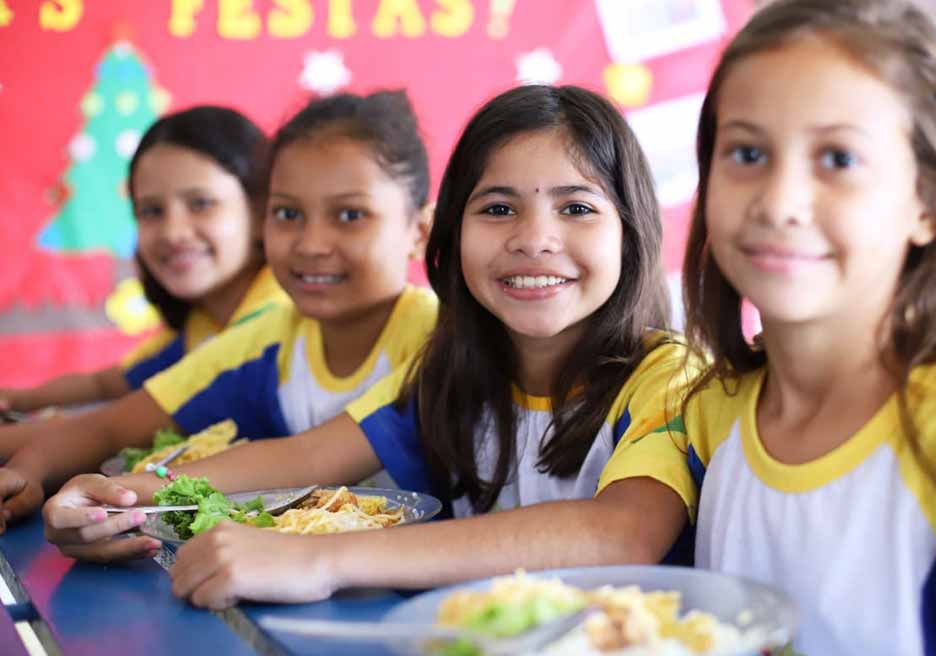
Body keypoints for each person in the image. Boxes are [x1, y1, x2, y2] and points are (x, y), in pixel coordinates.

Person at [44, 85, 693, 603]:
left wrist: (320, 558)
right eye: (498, 208)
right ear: (450, 238)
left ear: (633, 233)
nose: (534, 238)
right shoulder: (450, 373)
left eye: (576, 208)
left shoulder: (668, 378)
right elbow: (303, 459)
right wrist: (124, 496)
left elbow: (621, 531)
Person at [598, 0, 936, 653]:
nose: (780, 201)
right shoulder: (705, 413)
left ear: (929, 206)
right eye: (746, 152)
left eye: (839, 160)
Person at [0, 92, 437, 549]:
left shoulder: (437, 337)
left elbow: (306, 458)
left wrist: (125, 494)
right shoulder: (266, 339)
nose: (311, 243)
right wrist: (35, 474)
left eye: (351, 215)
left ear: (419, 232)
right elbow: (110, 424)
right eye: (288, 214)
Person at [0, 106, 286, 440]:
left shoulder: (276, 315)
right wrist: (16, 398)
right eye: (151, 211)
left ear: (260, 210)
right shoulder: (203, 323)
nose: (172, 233)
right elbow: (105, 383)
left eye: (201, 204)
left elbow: (115, 425)